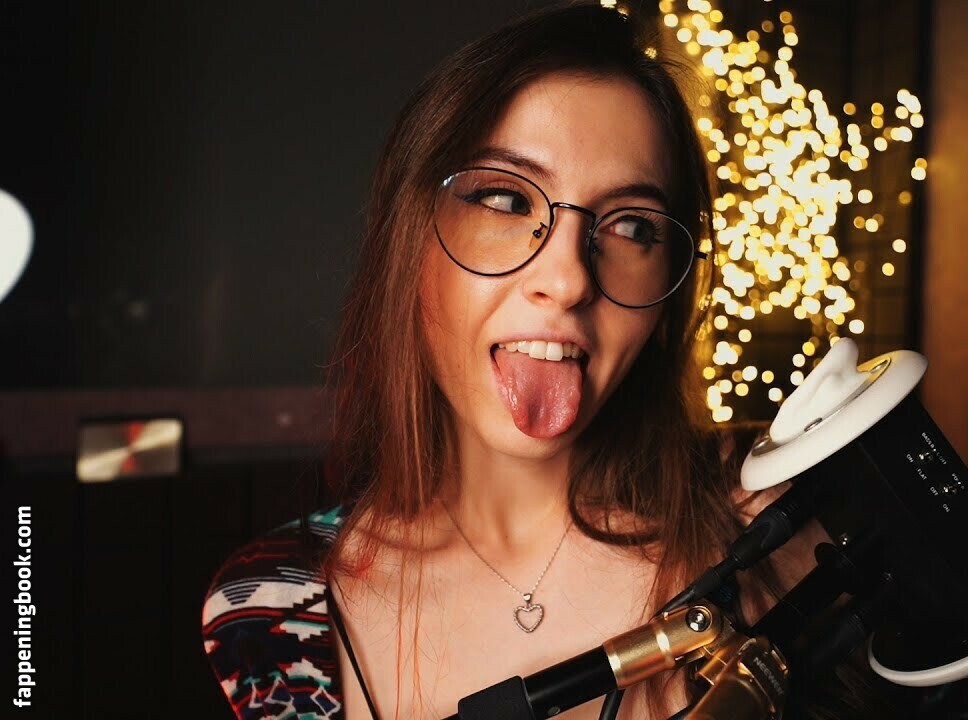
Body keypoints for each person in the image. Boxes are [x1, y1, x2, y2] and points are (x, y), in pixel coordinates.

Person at [202, 4, 869, 719]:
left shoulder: (774, 535)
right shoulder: (271, 610)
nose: (570, 278)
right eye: (505, 199)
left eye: (632, 225)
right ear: (409, 239)